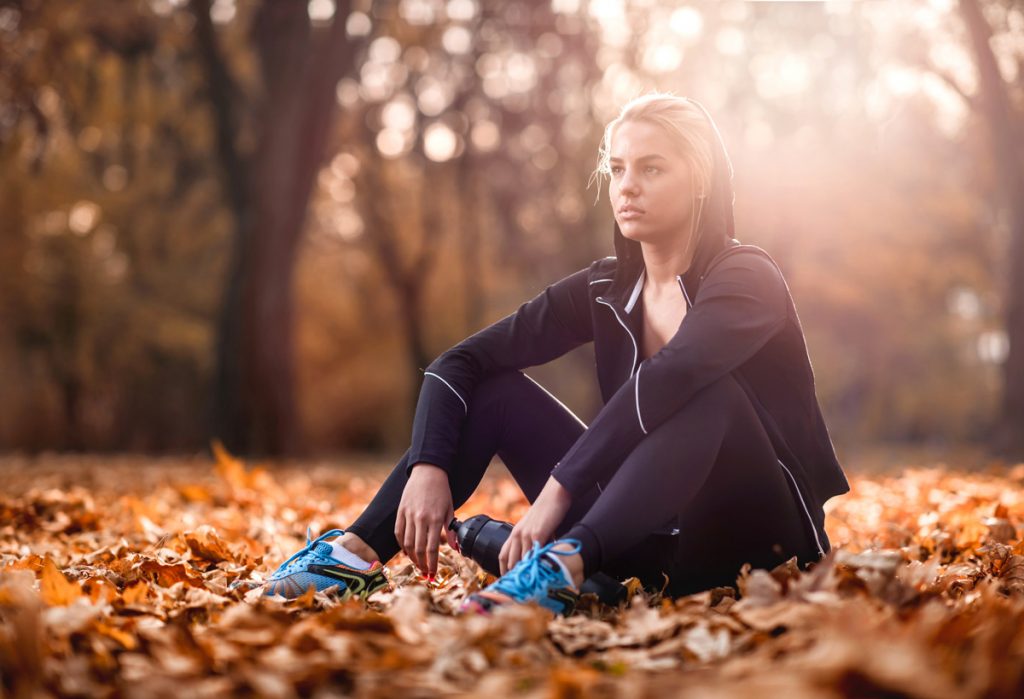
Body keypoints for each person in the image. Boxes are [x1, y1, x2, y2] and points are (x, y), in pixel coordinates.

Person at [261, 92, 851, 617]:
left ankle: (565, 562)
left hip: (761, 545)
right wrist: (429, 464)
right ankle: (354, 555)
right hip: (643, 534)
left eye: (652, 168)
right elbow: (458, 363)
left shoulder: (746, 276)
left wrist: (557, 494)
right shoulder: (604, 289)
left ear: (699, 180)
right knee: (493, 392)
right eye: (618, 169)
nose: (628, 186)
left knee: (708, 392)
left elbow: (674, 377)